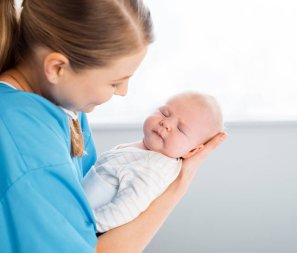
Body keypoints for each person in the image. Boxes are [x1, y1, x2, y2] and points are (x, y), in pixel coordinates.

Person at [0, 1, 227, 253]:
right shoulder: (28, 145)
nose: (123, 92)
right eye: (115, 82)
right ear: (57, 68)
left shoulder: (65, 107)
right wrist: (178, 187)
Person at [82, 91, 224, 233]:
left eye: (180, 129)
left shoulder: (156, 167)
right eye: (164, 113)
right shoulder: (147, 151)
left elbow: (125, 209)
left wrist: (83, 225)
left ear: (192, 151)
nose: (166, 123)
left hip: (85, 224)